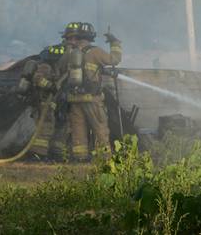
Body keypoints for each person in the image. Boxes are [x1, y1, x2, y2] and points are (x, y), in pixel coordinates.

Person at [63, 22, 122, 161]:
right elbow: (115, 60)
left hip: (73, 98)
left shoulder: (69, 53)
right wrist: (115, 43)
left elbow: (62, 69)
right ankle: (105, 158)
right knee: (100, 128)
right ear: (91, 36)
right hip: (91, 98)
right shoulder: (95, 52)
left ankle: (80, 158)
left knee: (78, 130)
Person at [16, 42, 68, 160]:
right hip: (42, 103)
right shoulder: (45, 66)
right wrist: (49, 85)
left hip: (47, 103)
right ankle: (38, 154)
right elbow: (37, 79)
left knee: (48, 127)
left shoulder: (53, 66)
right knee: (45, 128)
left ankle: (44, 153)